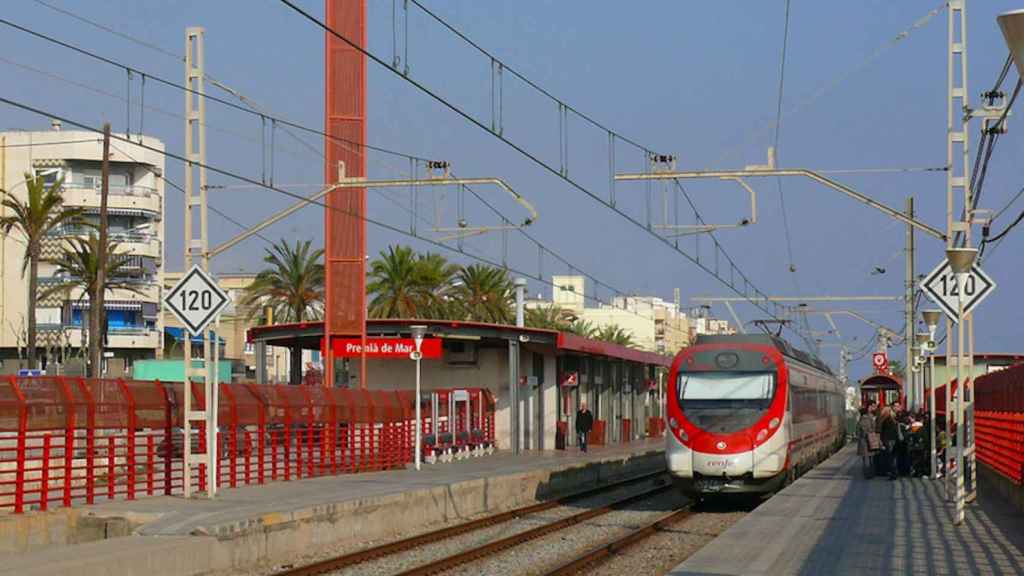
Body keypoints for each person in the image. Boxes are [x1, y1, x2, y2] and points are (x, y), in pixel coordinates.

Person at [877, 406, 900, 480]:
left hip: (888, 440)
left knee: (890, 458)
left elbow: (883, 431)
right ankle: (895, 473)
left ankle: (893, 473)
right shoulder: (893, 420)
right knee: (893, 457)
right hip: (894, 440)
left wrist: (882, 440)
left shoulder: (885, 420)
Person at [856, 405, 876, 478]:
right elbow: (874, 428)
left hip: (863, 441)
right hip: (872, 440)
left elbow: (857, 432)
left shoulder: (861, 420)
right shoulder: (871, 419)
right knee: (871, 458)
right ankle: (872, 473)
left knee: (865, 459)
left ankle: (867, 474)